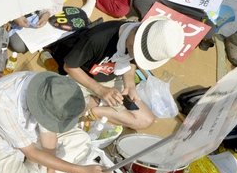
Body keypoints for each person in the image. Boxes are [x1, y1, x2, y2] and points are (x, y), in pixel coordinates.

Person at [0, 72, 114, 173]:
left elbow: (48, 133)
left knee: (81, 139)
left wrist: (50, 170)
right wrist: (82, 171)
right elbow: (31, 153)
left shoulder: (48, 89)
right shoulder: (1, 102)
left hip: (30, 136)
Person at [45, 16, 185, 130]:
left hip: (110, 80)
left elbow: (130, 63)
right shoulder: (99, 38)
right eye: (135, 51)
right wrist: (100, 90)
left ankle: (96, 107)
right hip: (82, 77)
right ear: (135, 36)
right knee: (62, 119)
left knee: (145, 120)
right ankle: (92, 105)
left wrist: (130, 86)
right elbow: (70, 67)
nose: (135, 56)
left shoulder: (144, 44)